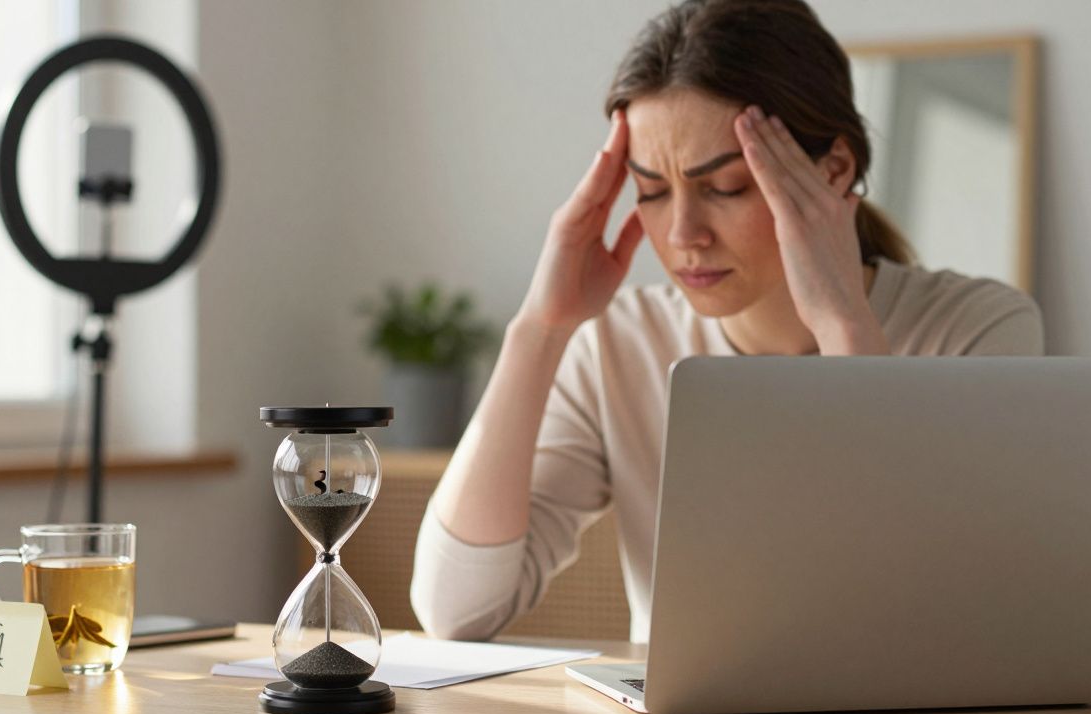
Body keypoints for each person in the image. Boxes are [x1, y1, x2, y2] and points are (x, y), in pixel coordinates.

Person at [409, 0, 1043, 644]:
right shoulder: (619, 344)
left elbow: (948, 611)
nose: (683, 234)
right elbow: (457, 610)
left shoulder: (978, 330)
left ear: (833, 170)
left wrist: (843, 324)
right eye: (652, 192)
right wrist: (540, 329)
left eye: (726, 187)